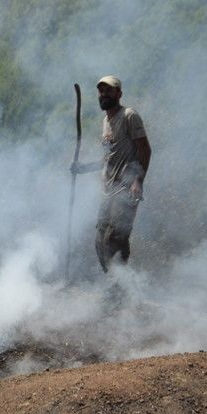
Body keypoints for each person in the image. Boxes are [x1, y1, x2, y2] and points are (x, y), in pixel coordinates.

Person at [71, 75, 152, 272]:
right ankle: (117, 285)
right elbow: (108, 159)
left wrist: (138, 181)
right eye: (101, 90)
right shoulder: (106, 121)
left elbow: (145, 150)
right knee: (100, 241)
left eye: (108, 90)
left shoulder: (129, 116)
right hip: (108, 191)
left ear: (119, 93)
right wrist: (83, 168)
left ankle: (119, 289)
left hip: (125, 189)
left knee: (114, 239)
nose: (104, 94)